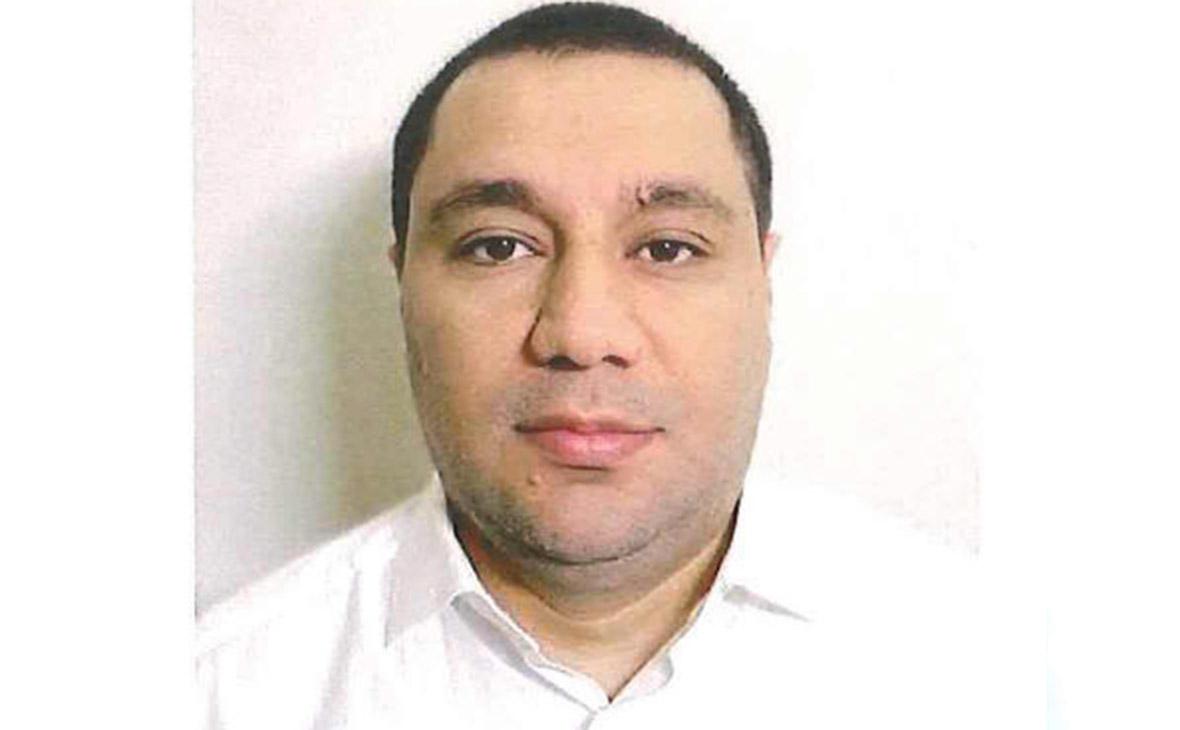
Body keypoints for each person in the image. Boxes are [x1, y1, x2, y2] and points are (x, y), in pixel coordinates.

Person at [198, 3, 1018, 727]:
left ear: (762, 286)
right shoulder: (206, 694)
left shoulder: (995, 672)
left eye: (667, 248)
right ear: (404, 286)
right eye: (498, 246)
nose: (582, 334)